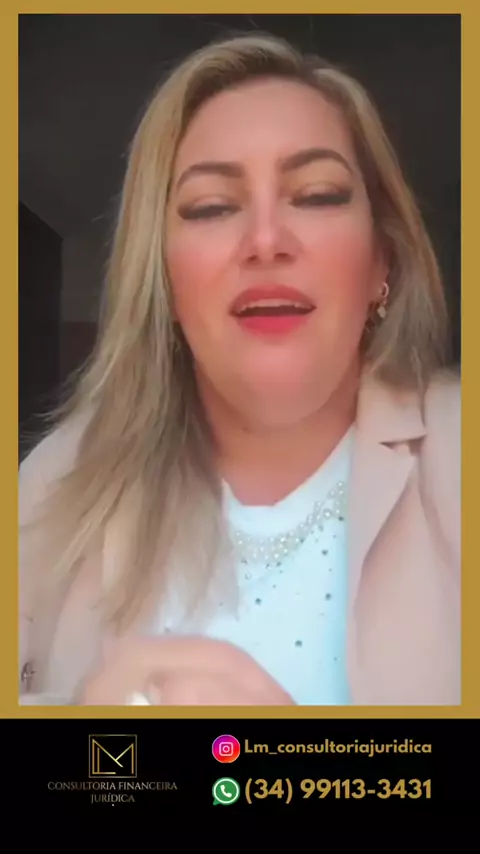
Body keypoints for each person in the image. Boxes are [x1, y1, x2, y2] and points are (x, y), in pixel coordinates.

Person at [19, 33, 460, 707]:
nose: (265, 241)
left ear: (382, 263)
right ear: (164, 279)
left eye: (317, 195)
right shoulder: (55, 480)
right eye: (212, 206)